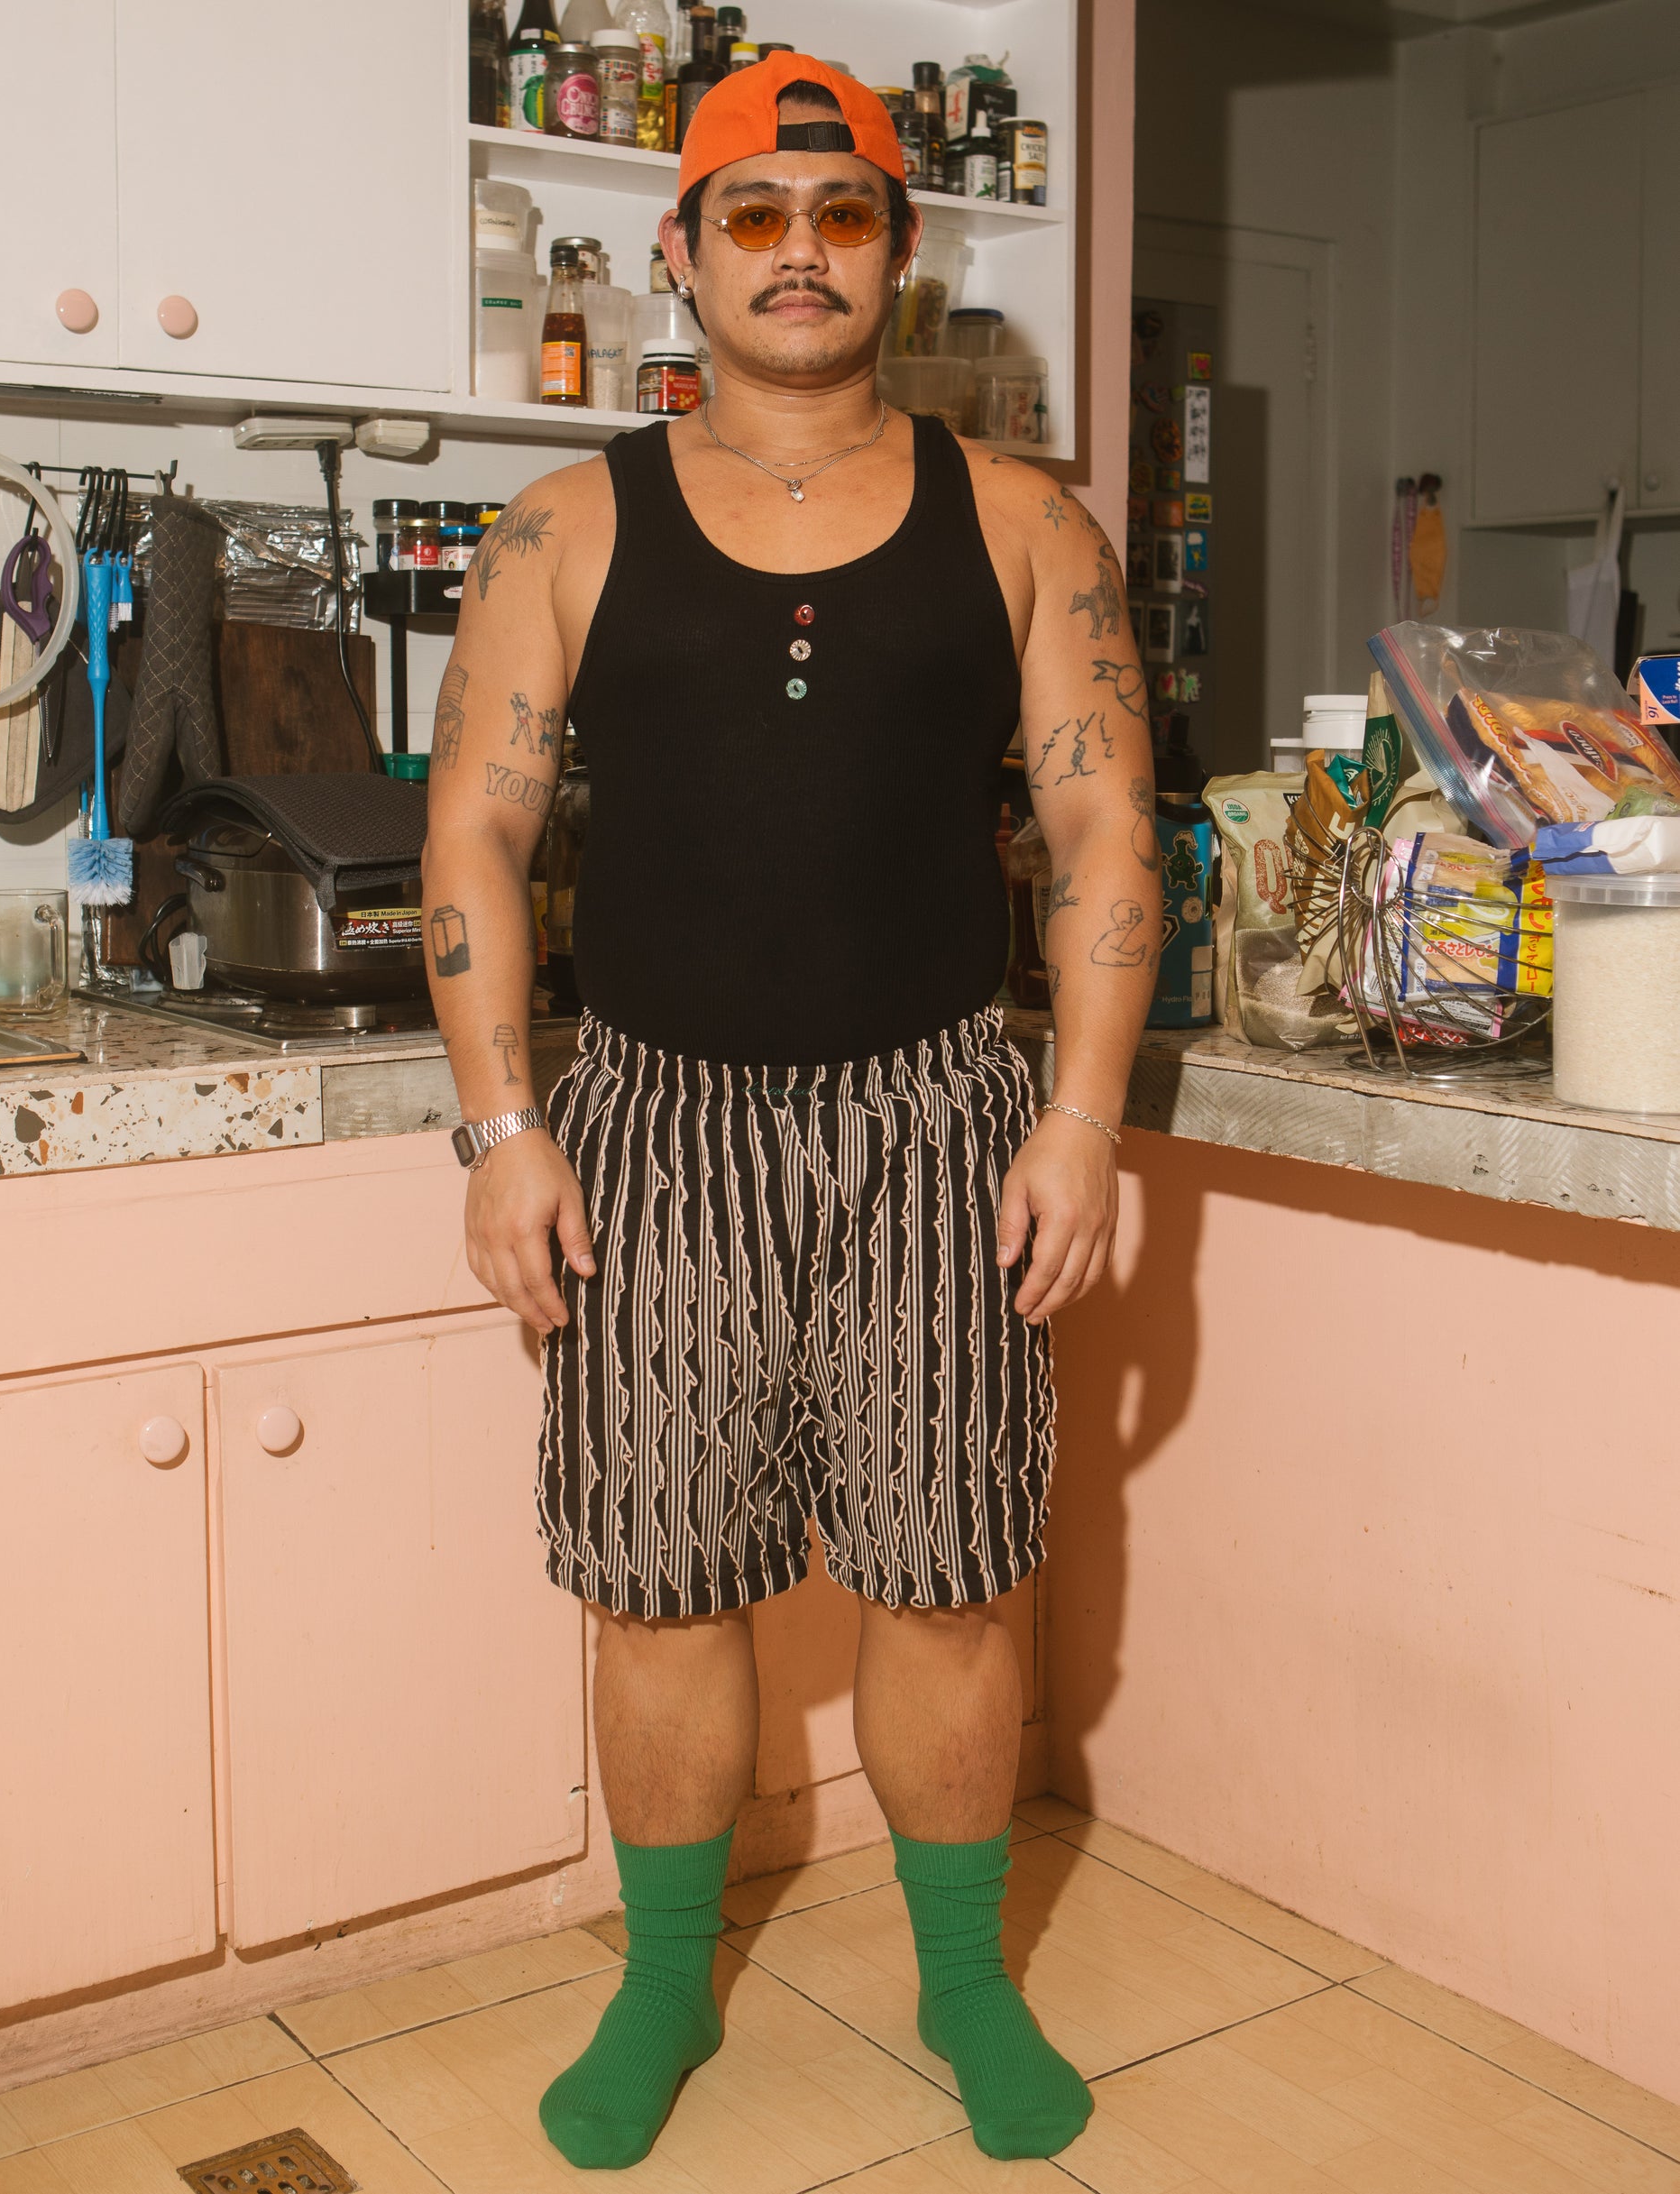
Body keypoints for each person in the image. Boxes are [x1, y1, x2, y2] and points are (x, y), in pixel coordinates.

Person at [421, 52, 1159, 2169]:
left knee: (947, 1574)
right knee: (657, 1577)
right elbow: (472, 834)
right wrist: (503, 1130)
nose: (800, 250)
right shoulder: (567, 524)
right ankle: (666, 1981)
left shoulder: (1024, 522)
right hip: (651, 1124)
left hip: (941, 1117)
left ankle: (961, 1976)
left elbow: (1107, 833)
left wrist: (1081, 1116)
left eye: (842, 214)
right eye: (754, 213)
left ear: (898, 249)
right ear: (683, 250)